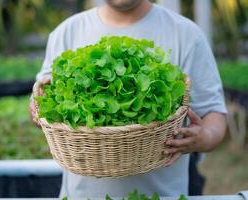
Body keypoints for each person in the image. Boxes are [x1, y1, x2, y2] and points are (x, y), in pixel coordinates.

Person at [29, 0, 227, 197]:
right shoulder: (67, 31)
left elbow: (214, 113)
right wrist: (39, 111)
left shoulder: (186, 34)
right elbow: (44, 102)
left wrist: (204, 137)